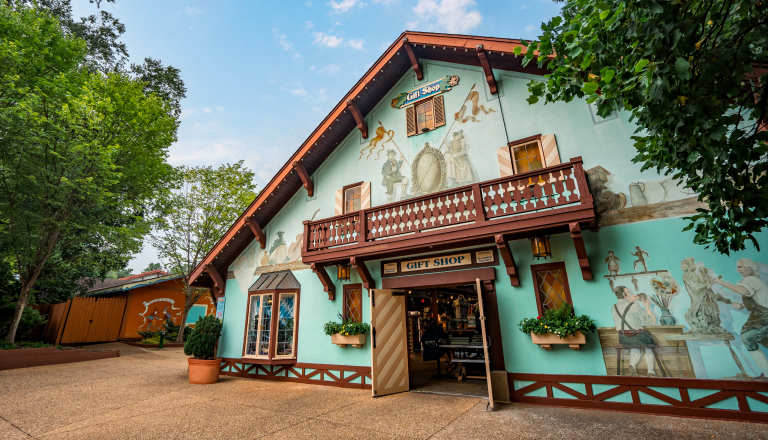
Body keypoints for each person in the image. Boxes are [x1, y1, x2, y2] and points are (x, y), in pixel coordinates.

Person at [711, 258, 768, 379]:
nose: (737, 270)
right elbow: (756, 299)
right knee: (750, 338)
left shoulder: (751, 279)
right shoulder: (750, 280)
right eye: (737, 267)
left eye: (740, 267)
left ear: (749, 268)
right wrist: (742, 306)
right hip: (759, 316)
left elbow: (744, 291)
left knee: (747, 337)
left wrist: (722, 283)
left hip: (764, 317)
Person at [611, 286, 658, 376]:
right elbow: (649, 321)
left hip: (623, 338)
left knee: (635, 345)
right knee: (648, 346)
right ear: (624, 294)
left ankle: (632, 365)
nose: (629, 294)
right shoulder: (635, 306)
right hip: (636, 336)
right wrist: (647, 307)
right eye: (628, 292)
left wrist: (630, 302)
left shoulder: (614, 307)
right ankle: (651, 371)